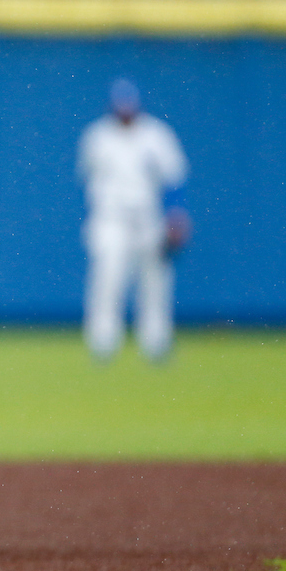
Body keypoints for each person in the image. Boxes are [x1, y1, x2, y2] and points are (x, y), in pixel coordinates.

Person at [76, 77, 191, 363]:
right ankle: (103, 342)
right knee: (107, 280)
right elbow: (87, 178)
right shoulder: (97, 136)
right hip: (110, 219)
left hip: (147, 219)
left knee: (155, 283)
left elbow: (175, 177)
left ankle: (156, 342)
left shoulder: (155, 134)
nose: (125, 113)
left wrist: (176, 215)